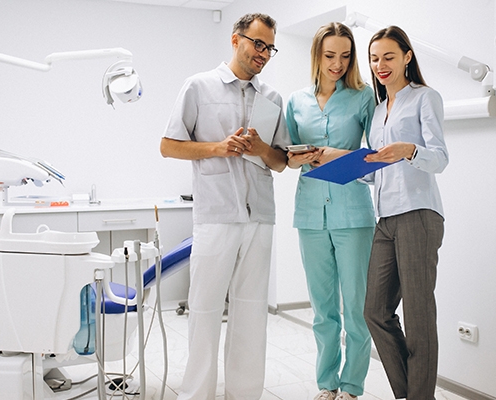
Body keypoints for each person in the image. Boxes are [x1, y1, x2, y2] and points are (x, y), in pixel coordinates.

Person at [160, 13, 289, 400]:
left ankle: (245, 393)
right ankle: (196, 394)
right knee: (204, 310)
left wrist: (260, 149)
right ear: (236, 40)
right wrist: (219, 147)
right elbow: (169, 145)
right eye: (257, 44)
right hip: (216, 215)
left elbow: (280, 161)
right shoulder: (199, 86)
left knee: (251, 315)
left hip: (259, 216)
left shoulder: (273, 98)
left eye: (270, 47)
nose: (264, 53)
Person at [285, 22, 376, 400]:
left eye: (345, 55)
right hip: (310, 213)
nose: (337, 63)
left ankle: (352, 386)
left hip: (353, 214)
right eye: (329, 55)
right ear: (316, 56)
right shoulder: (296, 101)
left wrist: (336, 155)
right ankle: (327, 384)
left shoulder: (363, 97)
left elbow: (376, 156)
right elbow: (287, 158)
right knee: (323, 310)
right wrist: (299, 157)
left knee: (356, 309)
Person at [362, 25, 449, 400]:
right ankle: (409, 395)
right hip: (385, 217)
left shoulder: (424, 98)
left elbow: (440, 159)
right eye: (374, 58)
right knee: (375, 312)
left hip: (418, 214)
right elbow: (379, 169)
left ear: (407, 57)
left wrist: (409, 150)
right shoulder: (379, 110)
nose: (380, 65)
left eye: (389, 56)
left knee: (418, 319)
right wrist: (346, 168)